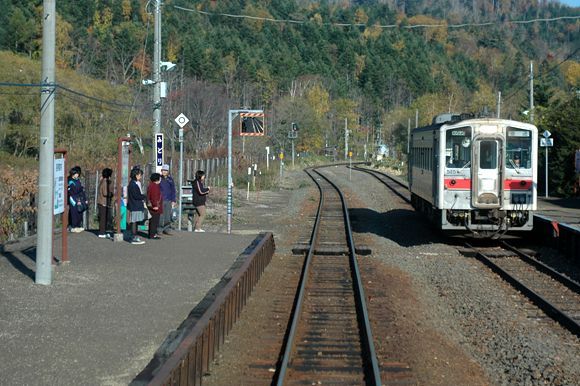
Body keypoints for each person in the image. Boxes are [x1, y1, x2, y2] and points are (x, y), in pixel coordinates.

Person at [126, 167, 146, 245]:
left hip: (133, 205)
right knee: (135, 222)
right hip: (136, 205)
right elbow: (136, 196)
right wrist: (144, 196)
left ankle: (133, 236)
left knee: (134, 221)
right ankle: (134, 237)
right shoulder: (134, 185)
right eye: (139, 175)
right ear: (136, 175)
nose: (140, 177)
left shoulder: (132, 183)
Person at [68, 166, 88, 233]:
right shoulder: (70, 182)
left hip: (79, 198)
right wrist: (78, 200)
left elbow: (81, 190)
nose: (77, 175)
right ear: (73, 174)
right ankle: (74, 226)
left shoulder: (78, 181)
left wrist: (84, 199)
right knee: (74, 212)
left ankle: (78, 226)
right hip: (73, 198)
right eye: (76, 174)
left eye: (78, 174)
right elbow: (72, 192)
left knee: (80, 212)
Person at [159, 164, 176, 235]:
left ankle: (167, 229)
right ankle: (159, 229)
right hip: (160, 200)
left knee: (167, 216)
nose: (164, 172)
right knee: (160, 216)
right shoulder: (159, 178)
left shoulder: (170, 179)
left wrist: (173, 200)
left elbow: (173, 190)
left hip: (168, 200)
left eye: (166, 170)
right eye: (163, 170)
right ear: (161, 171)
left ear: (168, 171)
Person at [97, 168, 113, 238]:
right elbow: (105, 193)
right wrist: (111, 194)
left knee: (103, 218)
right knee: (103, 218)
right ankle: (101, 233)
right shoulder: (105, 182)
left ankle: (103, 232)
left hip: (101, 202)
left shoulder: (102, 180)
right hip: (103, 202)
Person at [147, 173, 163, 239]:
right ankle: (152, 235)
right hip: (155, 207)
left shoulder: (151, 185)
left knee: (152, 221)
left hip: (152, 206)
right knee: (154, 221)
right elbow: (154, 197)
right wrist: (155, 205)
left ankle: (151, 234)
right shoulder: (155, 186)